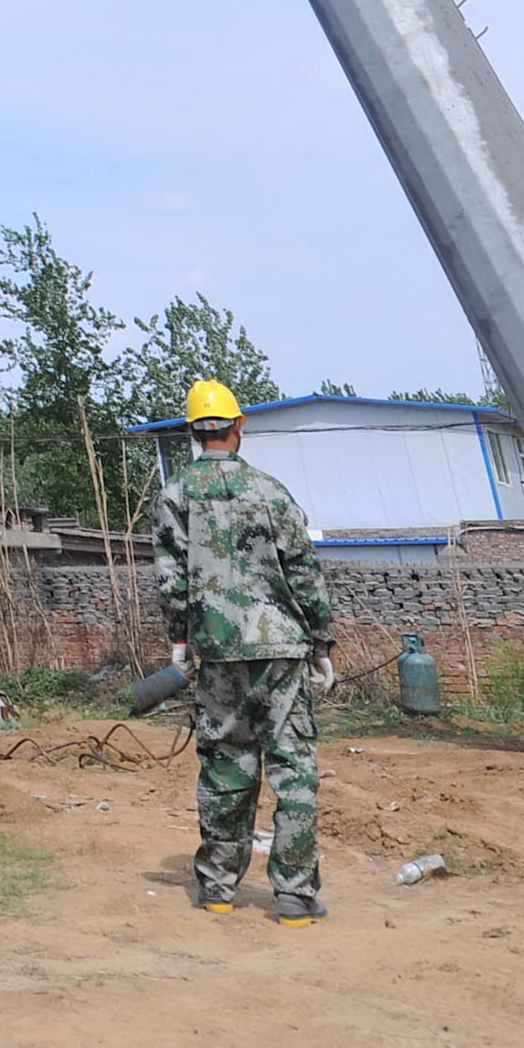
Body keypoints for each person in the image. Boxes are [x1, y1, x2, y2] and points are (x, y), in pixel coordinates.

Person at [152, 379, 333, 923]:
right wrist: (321, 642)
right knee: (293, 767)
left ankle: (218, 888)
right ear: (238, 426)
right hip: (281, 649)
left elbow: (171, 579)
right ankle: (295, 896)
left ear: (192, 431)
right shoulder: (272, 492)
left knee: (225, 765)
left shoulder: (175, 495)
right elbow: (306, 573)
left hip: (217, 650)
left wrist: (180, 640)